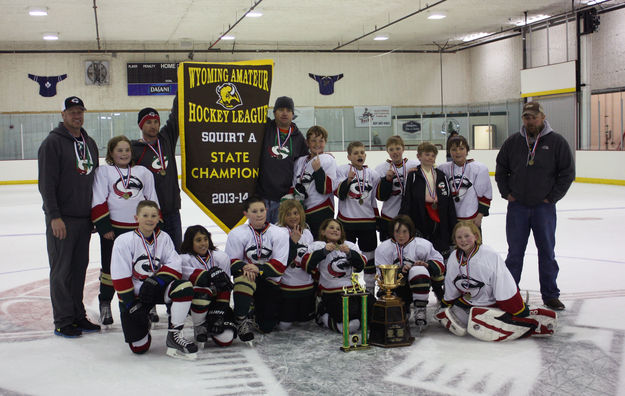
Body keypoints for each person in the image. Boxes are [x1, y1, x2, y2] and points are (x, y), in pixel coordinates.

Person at [495, 102, 575, 311]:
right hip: (518, 207)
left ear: (542, 116)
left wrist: (552, 197)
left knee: (547, 252)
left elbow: (567, 173)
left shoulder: (556, 142)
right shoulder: (513, 142)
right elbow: (501, 169)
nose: (530, 121)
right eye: (526, 117)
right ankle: (509, 294)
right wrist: (507, 193)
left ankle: (550, 294)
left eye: (533, 117)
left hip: (543, 208)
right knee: (515, 253)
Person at [38, 96, 101, 338]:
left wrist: (95, 214)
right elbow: (46, 183)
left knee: (78, 270)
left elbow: (94, 182)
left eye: (80, 111)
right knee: (62, 270)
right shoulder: (52, 143)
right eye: (72, 111)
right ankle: (63, 320)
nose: (77, 115)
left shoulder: (89, 142)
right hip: (62, 220)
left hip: (84, 219)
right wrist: (54, 216)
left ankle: (77, 315)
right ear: (63, 115)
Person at [435, 221, 557, 341]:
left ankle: (531, 322)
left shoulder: (489, 255)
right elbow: (451, 283)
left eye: (467, 236)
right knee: (454, 317)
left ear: (476, 236)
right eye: (459, 237)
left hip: (493, 301)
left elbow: (503, 280)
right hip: (469, 301)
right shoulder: (453, 257)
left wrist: (515, 307)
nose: (463, 240)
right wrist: (447, 302)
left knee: (484, 319)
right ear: (455, 240)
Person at [110, 200, 197, 359]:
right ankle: (144, 320)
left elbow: (175, 264)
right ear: (136, 218)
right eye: (145, 215)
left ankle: (174, 335)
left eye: (153, 215)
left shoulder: (164, 238)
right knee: (139, 347)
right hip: (136, 295)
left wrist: (158, 281)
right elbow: (119, 274)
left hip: (157, 288)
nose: (149, 219)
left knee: (183, 287)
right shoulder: (123, 241)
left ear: (158, 218)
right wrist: (130, 305)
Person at [91, 135, 159, 325]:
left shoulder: (143, 172)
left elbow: (151, 199)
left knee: (144, 266)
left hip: (141, 231)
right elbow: (98, 198)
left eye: (127, 150)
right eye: (119, 150)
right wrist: (104, 226)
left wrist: (154, 225)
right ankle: (105, 303)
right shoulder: (104, 172)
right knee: (110, 270)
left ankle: (148, 304)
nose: (124, 153)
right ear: (111, 153)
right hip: (114, 231)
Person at [225, 196, 290, 342]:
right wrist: (244, 267)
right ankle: (240, 318)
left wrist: (257, 268)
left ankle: (252, 309)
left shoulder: (280, 233)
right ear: (245, 214)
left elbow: (279, 267)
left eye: (262, 210)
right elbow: (231, 262)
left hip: (269, 281)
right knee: (244, 280)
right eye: (254, 211)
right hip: (247, 277)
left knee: (266, 327)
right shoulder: (236, 233)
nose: (259, 214)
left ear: (266, 211)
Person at [374, 215, 445, 331]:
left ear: (410, 231)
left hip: (418, 284)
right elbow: (381, 275)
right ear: (392, 231)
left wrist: (426, 265)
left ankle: (420, 309)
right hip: (397, 287)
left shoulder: (423, 245)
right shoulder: (383, 248)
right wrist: (399, 271)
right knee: (399, 318)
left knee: (419, 270)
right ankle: (403, 306)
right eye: (397, 231)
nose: (401, 236)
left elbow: (440, 263)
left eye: (404, 231)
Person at [131, 98, 182, 251]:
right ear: (141, 125)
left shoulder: (166, 139)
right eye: (148, 122)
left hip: (172, 209)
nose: (153, 126)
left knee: (175, 251)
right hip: (150, 213)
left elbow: (176, 116)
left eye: (155, 122)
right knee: (153, 252)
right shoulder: (134, 149)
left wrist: (181, 87)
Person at [301, 219, 368, 333]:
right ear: (323, 232)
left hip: (353, 292)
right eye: (331, 227)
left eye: (338, 229)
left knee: (371, 313)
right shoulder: (318, 245)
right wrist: (323, 252)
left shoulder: (349, 245)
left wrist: (350, 254)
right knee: (352, 325)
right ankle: (323, 314)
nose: (335, 230)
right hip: (332, 293)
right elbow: (306, 265)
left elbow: (361, 265)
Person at [336, 141, 381, 295]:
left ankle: (369, 291)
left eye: (362, 152)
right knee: (347, 256)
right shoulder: (342, 170)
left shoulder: (373, 175)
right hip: (347, 222)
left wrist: (377, 220)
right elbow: (340, 195)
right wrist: (348, 181)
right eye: (355, 153)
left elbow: (374, 199)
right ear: (349, 156)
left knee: (369, 258)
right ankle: (348, 288)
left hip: (367, 223)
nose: (359, 155)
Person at [179, 225, 236, 347]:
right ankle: (199, 325)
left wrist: (219, 312)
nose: (203, 243)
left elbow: (226, 288)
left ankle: (213, 319)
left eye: (205, 239)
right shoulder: (183, 259)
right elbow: (191, 284)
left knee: (226, 339)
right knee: (202, 291)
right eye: (198, 240)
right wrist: (210, 274)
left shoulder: (221, 257)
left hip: (217, 303)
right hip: (197, 304)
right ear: (190, 242)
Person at [399, 142, 456, 259]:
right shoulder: (413, 175)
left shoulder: (441, 175)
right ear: (419, 156)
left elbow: (448, 200)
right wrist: (404, 220)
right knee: (421, 248)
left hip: (439, 216)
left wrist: (452, 222)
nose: (430, 157)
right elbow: (407, 199)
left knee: (439, 247)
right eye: (427, 154)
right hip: (420, 215)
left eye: (433, 155)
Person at [256, 96, 308, 223]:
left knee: (282, 239)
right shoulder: (265, 128)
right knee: (261, 238)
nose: (284, 113)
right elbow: (254, 108)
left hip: (286, 199)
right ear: (274, 113)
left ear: (292, 114)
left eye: (288, 110)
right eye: (280, 109)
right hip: (263, 197)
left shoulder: (298, 138)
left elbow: (304, 165)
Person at [290, 125, 338, 239]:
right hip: (301, 211)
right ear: (307, 142)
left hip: (321, 209)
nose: (317, 144)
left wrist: (318, 171)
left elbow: (327, 189)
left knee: (320, 244)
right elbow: (293, 184)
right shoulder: (300, 161)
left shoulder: (328, 159)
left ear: (325, 142)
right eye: (313, 140)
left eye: (321, 140)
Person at [438, 135, 492, 232]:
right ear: (449, 152)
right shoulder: (443, 168)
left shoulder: (478, 169)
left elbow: (485, 195)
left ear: (467, 150)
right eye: (454, 149)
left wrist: (480, 216)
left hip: (471, 218)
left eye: (461, 148)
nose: (458, 152)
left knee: (472, 245)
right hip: (451, 219)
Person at [276, 200, 315, 330]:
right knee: (284, 325)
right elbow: (281, 261)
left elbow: (311, 258)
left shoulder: (307, 233)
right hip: (288, 287)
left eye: (295, 213)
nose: (293, 217)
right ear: (282, 216)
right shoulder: (279, 232)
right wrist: (292, 242)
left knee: (305, 323)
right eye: (288, 214)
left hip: (306, 286)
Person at [375, 135, 420, 241]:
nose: (395, 152)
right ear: (387, 151)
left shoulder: (414, 165)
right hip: (389, 215)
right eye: (391, 149)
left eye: (398, 148)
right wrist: (387, 180)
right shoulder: (381, 168)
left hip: (409, 215)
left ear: (403, 149)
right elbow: (380, 197)